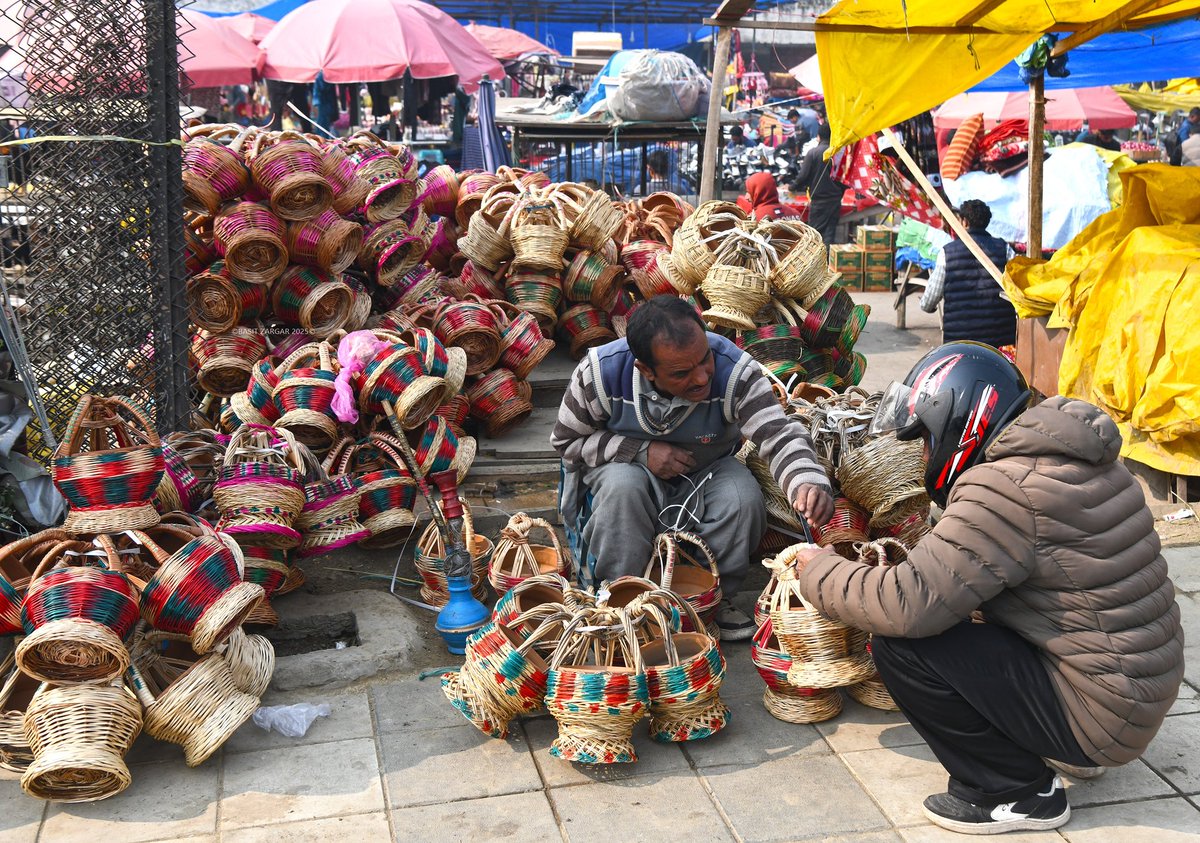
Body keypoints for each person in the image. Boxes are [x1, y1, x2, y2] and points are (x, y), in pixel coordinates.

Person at [787, 342, 1183, 835]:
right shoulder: (1073, 457)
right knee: (966, 605)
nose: (927, 454)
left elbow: (906, 604)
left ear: (962, 422)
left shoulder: (1003, 488)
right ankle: (1065, 742)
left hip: (1104, 709)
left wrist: (820, 570)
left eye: (928, 440)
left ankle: (1015, 790)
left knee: (903, 646)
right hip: (1134, 687)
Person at [552, 296, 833, 640]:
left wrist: (806, 481)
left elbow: (778, 433)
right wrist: (640, 451)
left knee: (742, 497)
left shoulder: (735, 371)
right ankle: (621, 601)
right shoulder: (599, 374)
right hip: (625, 470)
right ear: (646, 370)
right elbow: (566, 442)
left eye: (705, 360)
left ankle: (710, 599)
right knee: (623, 488)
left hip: (707, 470)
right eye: (682, 373)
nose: (701, 378)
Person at [920, 199, 1017, 348]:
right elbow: (1019, 286)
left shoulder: (947, 252)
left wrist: (929, 307)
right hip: (1001, 341)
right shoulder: (1005, 249)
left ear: (964, 222)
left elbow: (928, 302)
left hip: (960, 342)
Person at [791, 122, 848, 249]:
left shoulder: (813, 153)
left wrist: (791, 187)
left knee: (815, 237)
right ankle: (827, 264)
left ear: (819, 136)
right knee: (829, 236)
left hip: (819, 201)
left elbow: (803, 176)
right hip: (835, 201)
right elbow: (844, 179)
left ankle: (817, 265)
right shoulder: (838, 154)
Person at [738, 171, 802, 221]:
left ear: (758, 192)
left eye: (749, 192)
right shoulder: (796, 214)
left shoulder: (755, 219)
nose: (746, 197)